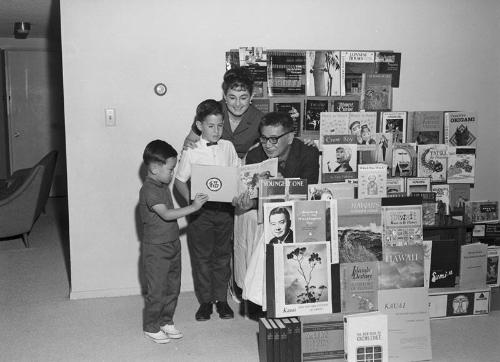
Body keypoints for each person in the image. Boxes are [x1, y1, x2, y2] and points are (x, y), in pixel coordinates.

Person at [175, 99, 240, 322]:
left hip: (224, 211)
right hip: (201, 214)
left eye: (220, 126)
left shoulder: (228, 147)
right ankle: (205, 302)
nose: (216, 131)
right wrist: (193, 204)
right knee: (202, 258)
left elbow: (237, 175)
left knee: (222, 256)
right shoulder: (191, 150)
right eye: (211, 126)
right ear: (200, 126)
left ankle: (221, 300)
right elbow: (180, 181)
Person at [139, 140, 209, 344]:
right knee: (157, 289)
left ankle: (166, 320)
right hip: (156, 249)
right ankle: (151, 326)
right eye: (170, 169)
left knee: (172, 286)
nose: (172, 174)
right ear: (154, 168)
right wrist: (194, 207)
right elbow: (168, 214)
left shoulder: (162, 186)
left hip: (172, 244)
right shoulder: (149, 190)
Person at [234, 111, 320, 211]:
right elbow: (254, 197)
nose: (268, 145)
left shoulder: (308, 153)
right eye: (264, 138)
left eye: (274, 139)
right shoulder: (254, 156)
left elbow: (308, 192)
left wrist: (281, 186)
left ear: (290, 138)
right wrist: (250, 203)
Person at [183, 67, 263, 159]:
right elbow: (190, 140)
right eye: (232, 98)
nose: (237, 104)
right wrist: (189, 146)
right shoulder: (209, 111)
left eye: (243, 98)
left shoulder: (260, 119)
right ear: (224, 96)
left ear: (251, 96)